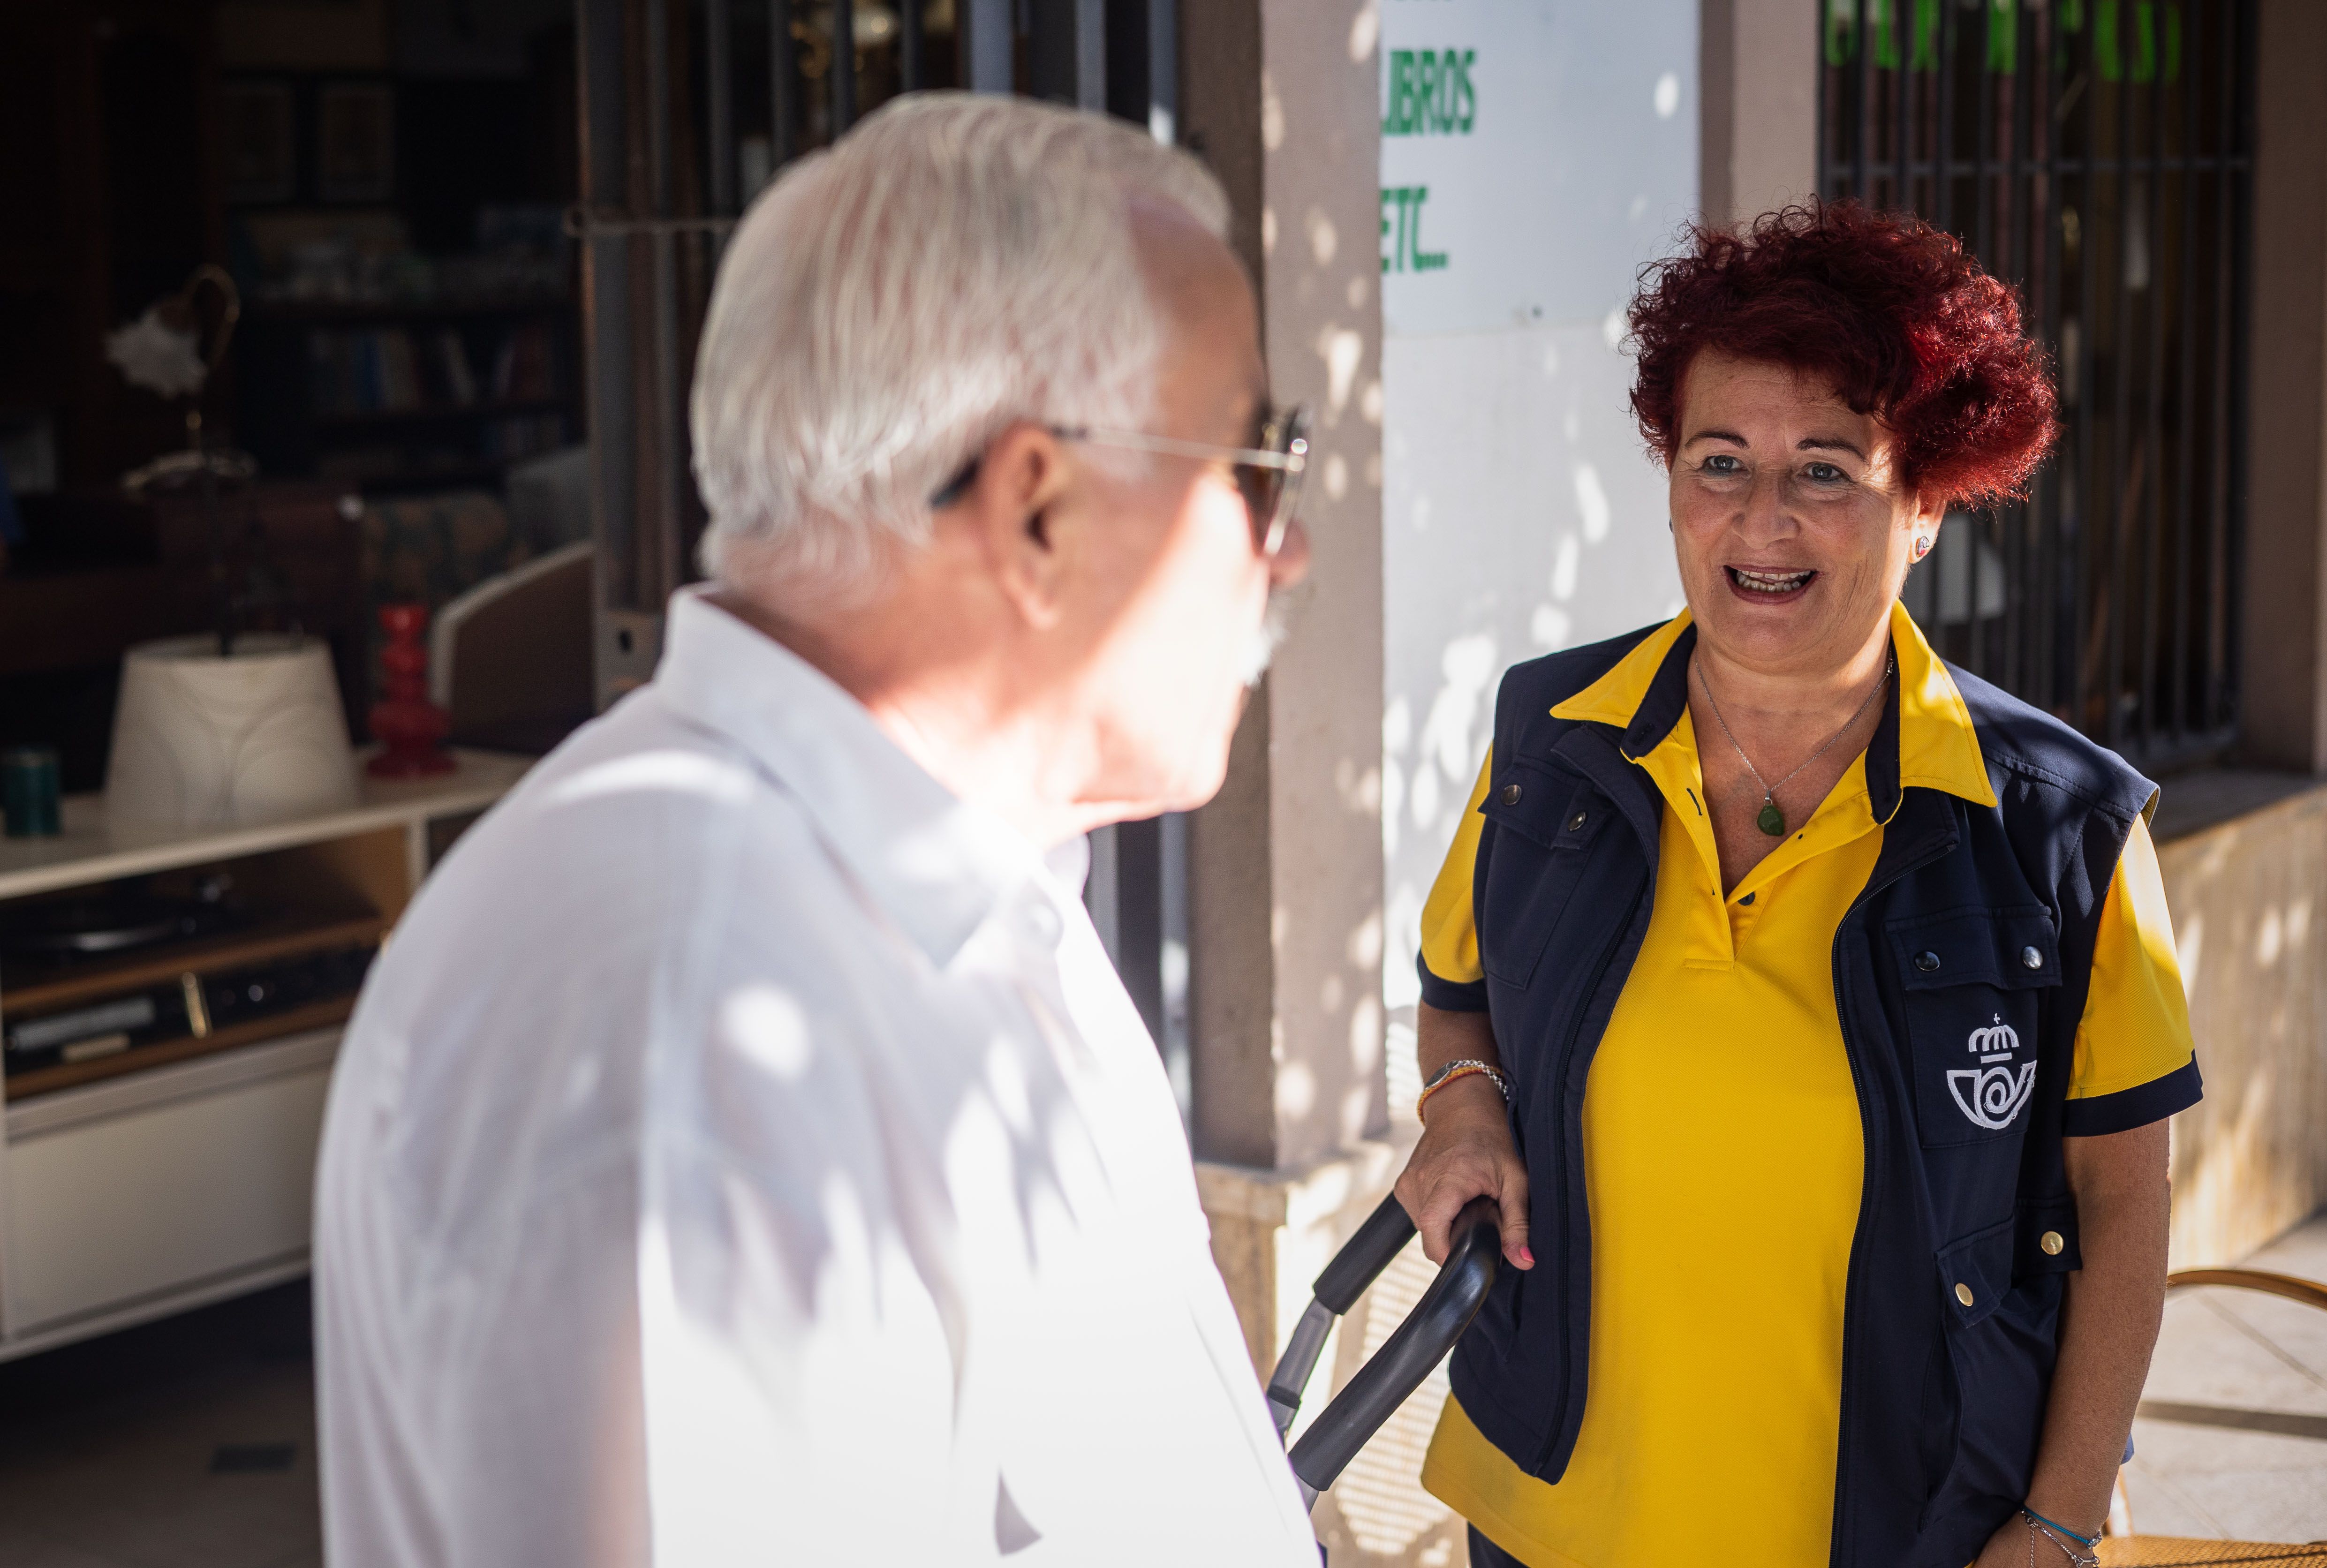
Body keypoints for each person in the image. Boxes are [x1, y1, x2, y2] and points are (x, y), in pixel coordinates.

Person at [313, 94, 1321, 1567]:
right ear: (1038, 507)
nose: (1285, 544)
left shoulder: (953, 885)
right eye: (1255, 460)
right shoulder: (702, 1010)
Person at [1398, 200, 2199, 1568]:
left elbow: (2124, 1207)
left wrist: (2060, 1521)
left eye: (1827, 470)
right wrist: (1462, 1108)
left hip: (1899, 1530)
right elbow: (1458, 998)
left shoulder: (2059, 829)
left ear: (1927, 504)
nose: (1761, 520)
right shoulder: (1552, 743)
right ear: (1669, 480)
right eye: (1720, 461)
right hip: (1547, 1516)